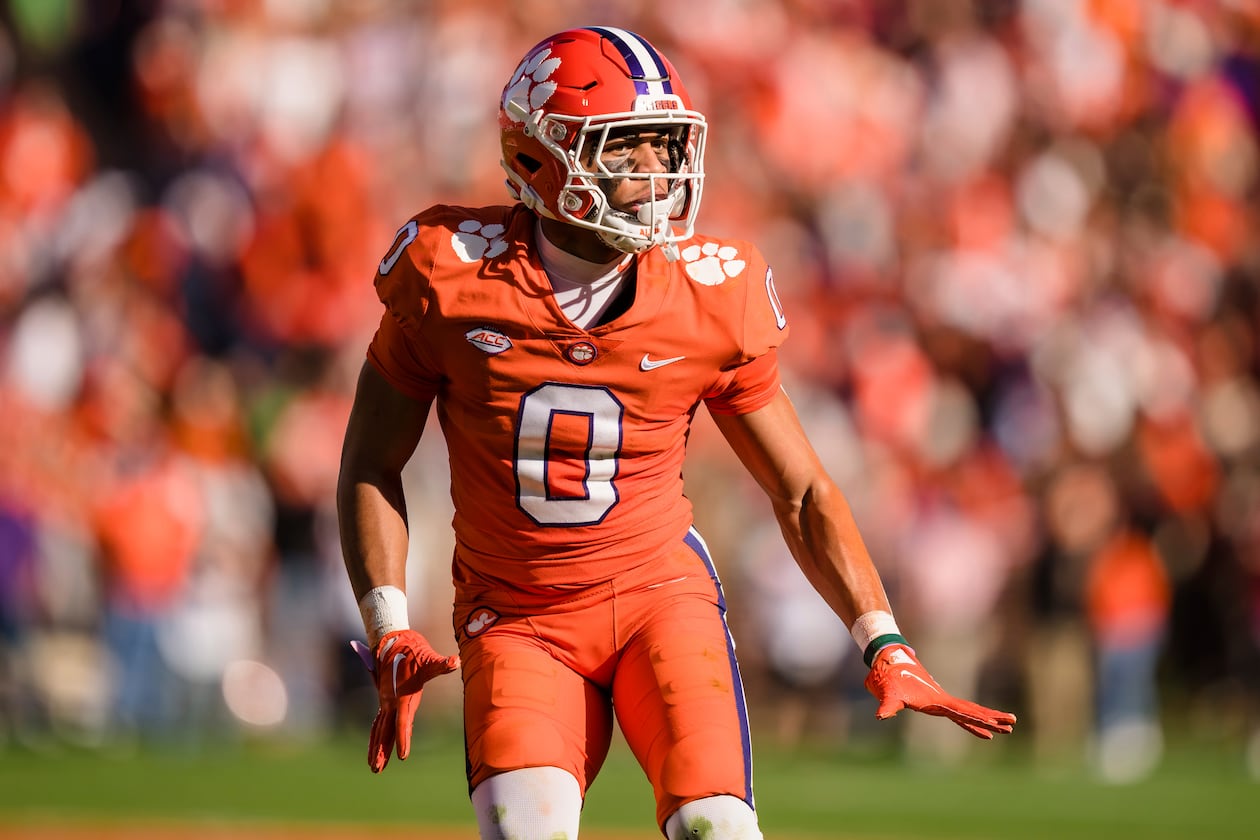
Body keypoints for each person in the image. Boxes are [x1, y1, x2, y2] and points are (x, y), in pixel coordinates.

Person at [337, 25, 1016, 840]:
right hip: (517, 616)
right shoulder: (450, 273)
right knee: (526, 831)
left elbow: (799, 489)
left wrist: (883, 640)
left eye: (664, 146)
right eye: (626, 150)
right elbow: (372, 461)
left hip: (660, 598)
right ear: (537, 159)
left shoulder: (706, 293)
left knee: (715, 828)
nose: (658, 172)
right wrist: (388, 624)